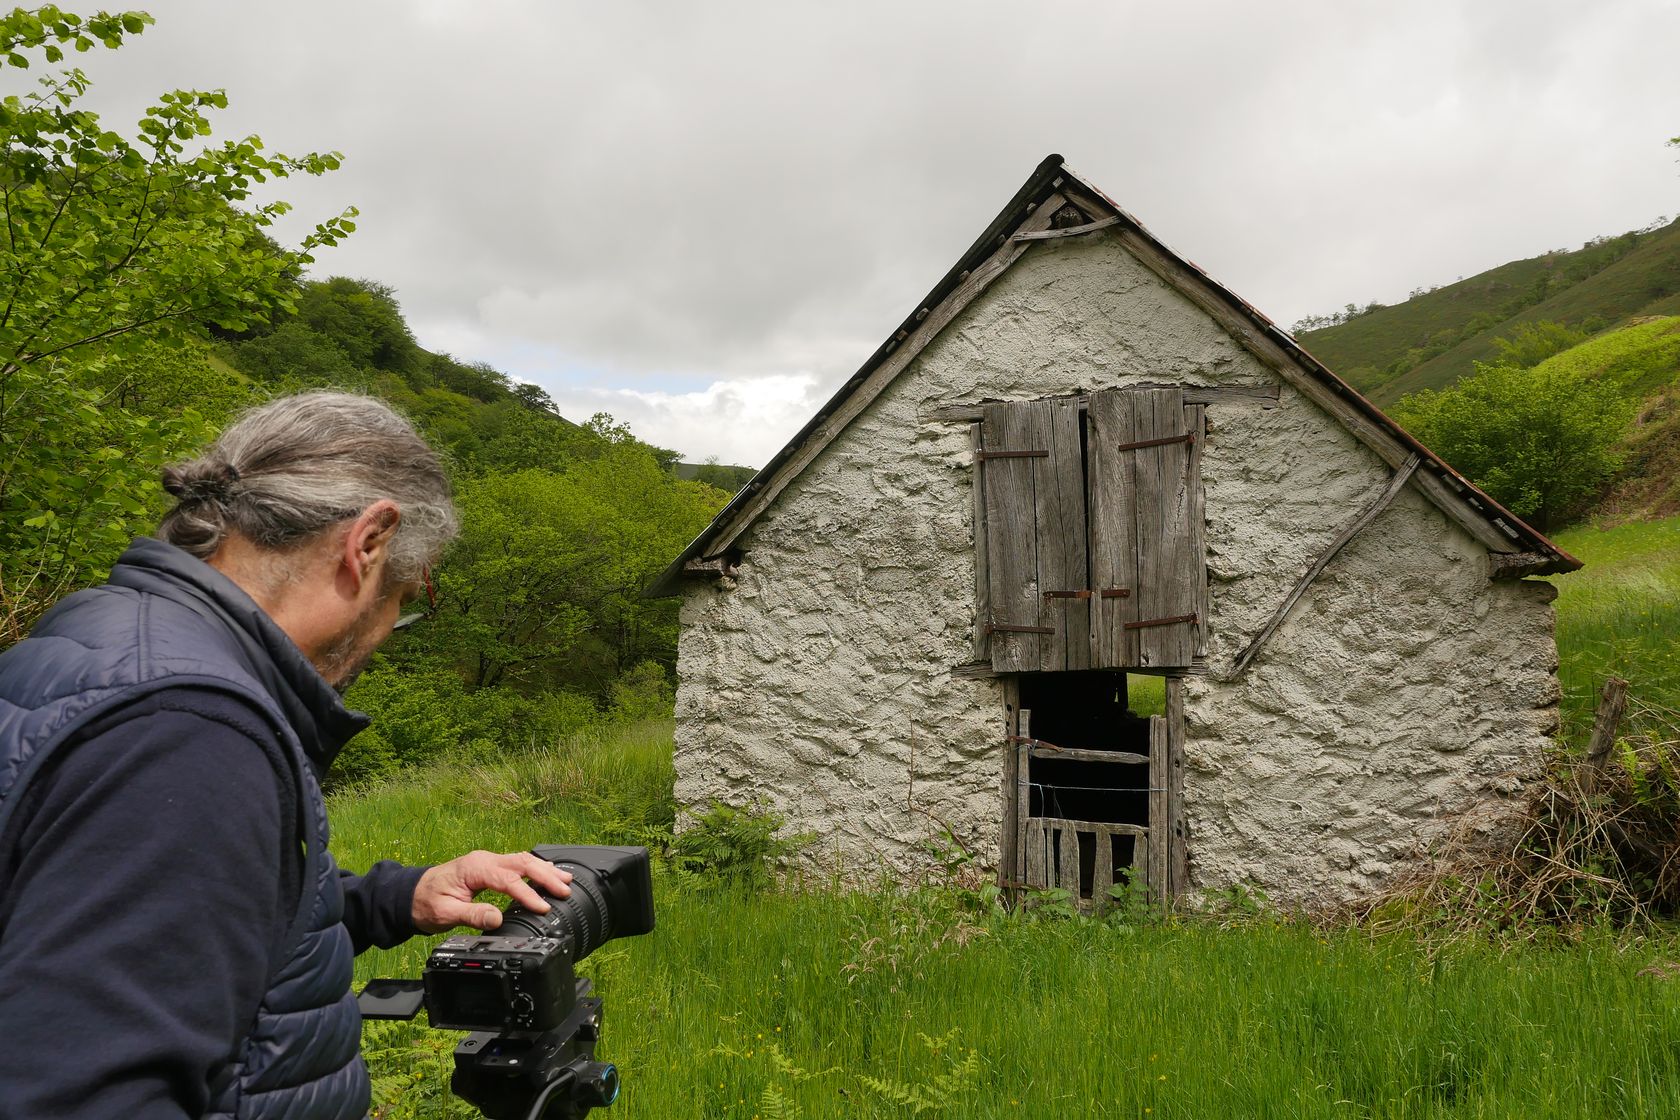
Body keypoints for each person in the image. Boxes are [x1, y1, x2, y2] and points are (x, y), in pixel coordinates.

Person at [0, 391, 573, 1119]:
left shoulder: (105, 635)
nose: (394, 623)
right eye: (410, 589)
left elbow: (185, 915)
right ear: (367, 544)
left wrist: (400, 897)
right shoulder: (188, 729)